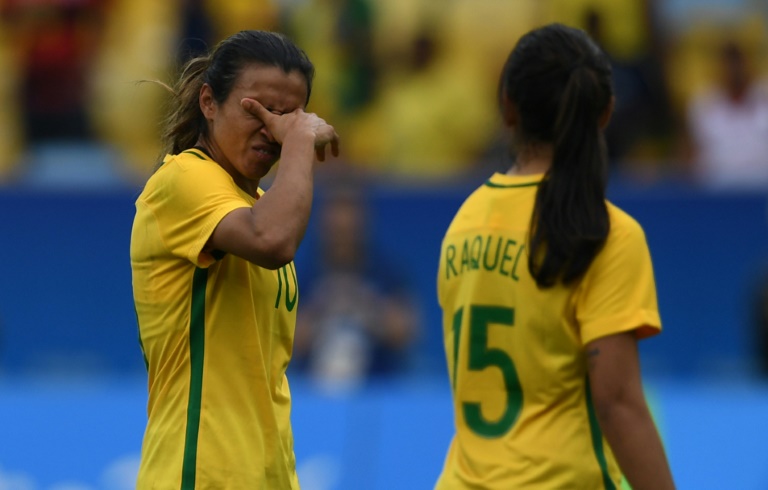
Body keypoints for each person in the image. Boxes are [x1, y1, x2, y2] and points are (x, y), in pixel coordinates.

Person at [435, 24, 675, 489]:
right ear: (604, 113)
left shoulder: (464, 222)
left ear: (507, 108)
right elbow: (618, 404)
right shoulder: (606, 233)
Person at [130, 30, 339, 489]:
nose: (274, 129)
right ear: (209, 102)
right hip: (200, 473)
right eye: (257, 109)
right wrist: (303, 143)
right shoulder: (183, 178)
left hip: (268, 475)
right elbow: (272, 240)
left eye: (289, 115)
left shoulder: (263, 204)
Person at [292, 185, 418, 389]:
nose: (343, 238)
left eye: (349, 231)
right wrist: (322, 308)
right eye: (338, 231)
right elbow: (287, 340)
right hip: (313, 394)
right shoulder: (304, 273)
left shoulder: (385, 271)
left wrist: (367, 306)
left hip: (376, 391)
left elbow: (406, 331)